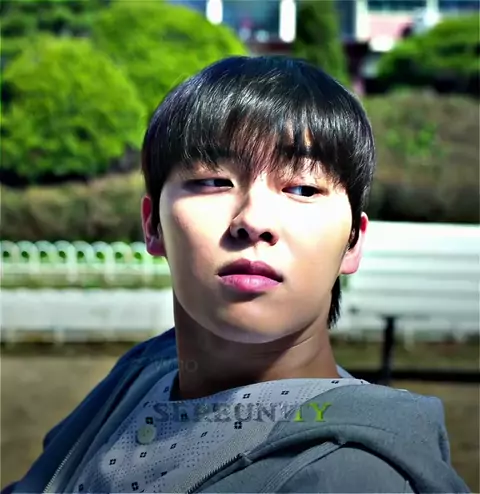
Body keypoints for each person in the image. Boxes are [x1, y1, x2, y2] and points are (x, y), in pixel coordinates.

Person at [5, 56, 469, 494]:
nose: (254, 220)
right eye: (213, 181)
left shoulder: (352, 475)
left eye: (303, 188)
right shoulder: (141, 375)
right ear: (152, 225)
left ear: (353, 241)